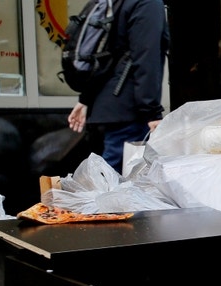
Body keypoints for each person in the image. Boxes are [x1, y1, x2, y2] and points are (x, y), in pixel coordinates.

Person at [68, 0, 170, 173]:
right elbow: (146, 57)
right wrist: (152, 111)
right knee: (113, 185)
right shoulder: (148, 3)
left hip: (106, 110)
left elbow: (106, 55)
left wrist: (87, 98)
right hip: (128, 112)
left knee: (107, 181)